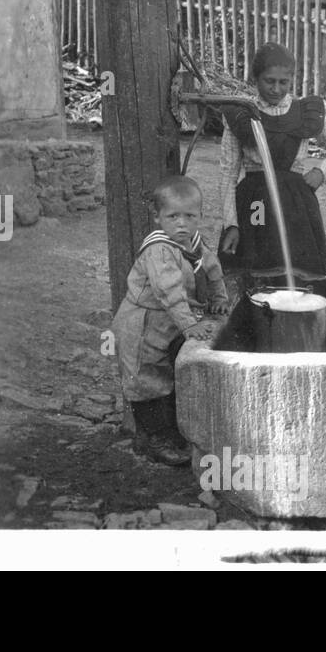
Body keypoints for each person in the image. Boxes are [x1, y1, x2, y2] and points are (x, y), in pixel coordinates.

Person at [110, 175, 228, 467]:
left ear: (200, 215)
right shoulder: (159, 249)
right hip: (143, 322)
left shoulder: (195, 244)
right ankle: (151, 440)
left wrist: (219, 299)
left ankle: (168, 433)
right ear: (158, 218)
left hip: (168, 320)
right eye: (173, 216)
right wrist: (190, 325)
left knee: (167, 375)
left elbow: (213, 271)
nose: (182, 224)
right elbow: (170, 293)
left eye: (190, 216)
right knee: (146, 378)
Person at [217, 42, 326, 276]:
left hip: (296, 204)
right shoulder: (241, 114)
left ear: (292, 80)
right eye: (269, 81)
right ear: (255, 79)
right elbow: (228, 173)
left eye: (283, 82)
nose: (276, 89)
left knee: (299, 269)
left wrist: (322, 172)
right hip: (256, 204)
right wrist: (231, 223)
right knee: (258, 263)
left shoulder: (305, 112)